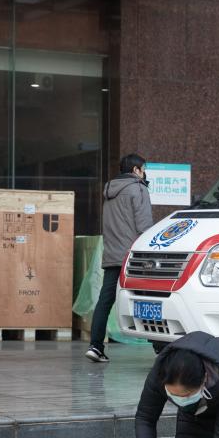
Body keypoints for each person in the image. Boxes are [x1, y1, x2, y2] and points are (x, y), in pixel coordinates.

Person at [86, 153, 153, 363]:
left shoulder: (109, 191)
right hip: (133, 256)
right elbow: (144, 227)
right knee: (150, 298)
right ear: (135, 170)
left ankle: (95, 346)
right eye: (143, 169)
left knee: (105, 301)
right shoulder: (138, 189)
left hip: (113, 254)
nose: (144, 173)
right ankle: (163, 348)